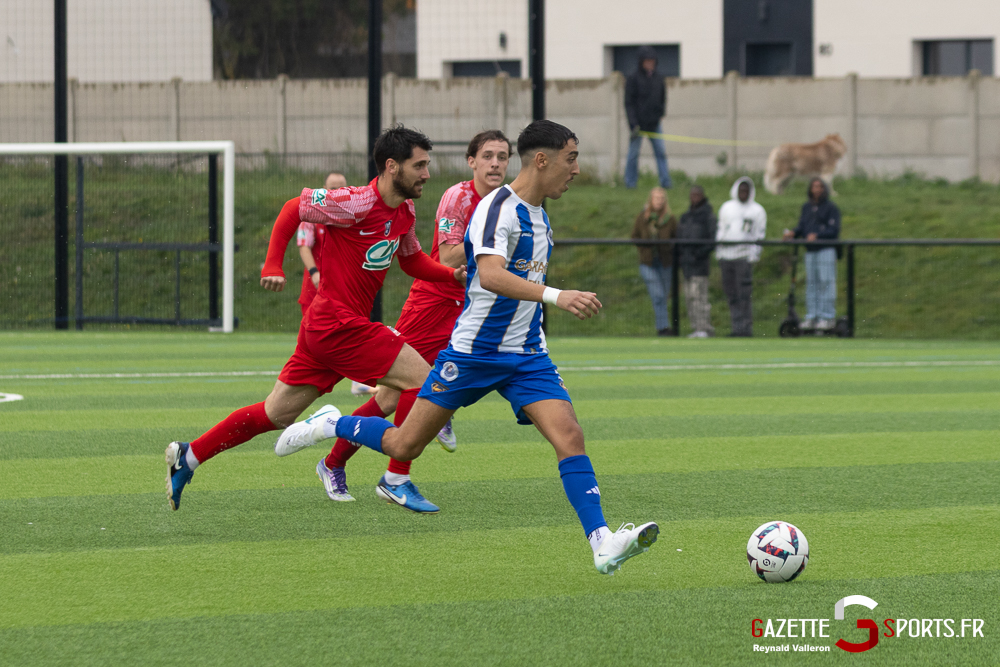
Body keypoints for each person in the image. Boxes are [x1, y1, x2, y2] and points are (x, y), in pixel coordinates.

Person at [274, 120, 659, 575]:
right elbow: (491, 274)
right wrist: (559, 296)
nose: (576, 170)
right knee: (404, 443)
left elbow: (521, 284)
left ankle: (602, 542)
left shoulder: (539, 213)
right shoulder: (497, 209)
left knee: (569, 435)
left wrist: (538, 328)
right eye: (570, 158)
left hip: (526, 357)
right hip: (473, 354)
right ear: (542, 159)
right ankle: (332, 424)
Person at [165, 126, 465, 512]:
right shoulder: (355, 202)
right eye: (419, 165)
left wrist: (451, 274)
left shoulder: (404, 211)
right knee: (425, 381)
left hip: (325, 329)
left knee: (276, 413)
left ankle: (188, 457)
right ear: (392, 166)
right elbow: (294, 208)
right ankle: (396, 477)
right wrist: (272, 263)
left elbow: (411, 261)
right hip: (338, 322)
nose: (427, 173)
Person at [318, 130, 512, 507]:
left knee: (461, 378)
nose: (496, 163)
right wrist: (487, 241)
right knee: (392, 397)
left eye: (503, 157)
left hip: (473, 308)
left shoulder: (507, 201)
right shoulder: (458, 198)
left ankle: (392, 455)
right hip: (434, 304)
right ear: (471, 161)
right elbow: (447, 257)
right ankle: (357, 465)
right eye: (487, 155)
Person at [783, 178, 841, 332]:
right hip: (811, 251)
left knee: (826, 283)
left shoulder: (831, 208)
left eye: (820, 186)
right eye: (814, 186)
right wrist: (793, 233)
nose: (817, 189)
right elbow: (803, 226)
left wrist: (818, 235)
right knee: (812, 284)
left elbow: (834, 230)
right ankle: (812, 316)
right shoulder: (806, 207)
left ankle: (827, 316)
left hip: (825, 250)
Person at [716, 177, 766, 337]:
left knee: (743, 294)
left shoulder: (757, 210)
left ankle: (745, 328)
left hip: (744, 257)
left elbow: (760, 234)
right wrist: (719, 251)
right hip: (726, 256)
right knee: (731, 294)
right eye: (741, 190)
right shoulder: (726, 207)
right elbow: (721, 229)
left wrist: (754, 255)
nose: (743, 193)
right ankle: (736, 327)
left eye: (746, 191)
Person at [296, 173, 347, 318]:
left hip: (343, 287)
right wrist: (314, 273)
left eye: (341, 189)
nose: (336, 193)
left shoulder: (353, 216)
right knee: (310, 336)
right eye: (332, 189)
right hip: (316, 285)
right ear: (324, 190)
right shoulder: (312, 213)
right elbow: (304, 246)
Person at [631, 187, 677, 336]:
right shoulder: (643, 217)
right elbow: (634, 236)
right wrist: (645, 246)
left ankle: (664, 327)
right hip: (648, 262)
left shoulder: (670, 219)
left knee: (663, 295)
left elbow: (676, 238)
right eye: (656, 198)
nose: (659, 201)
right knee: (657, 294)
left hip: (664, 262)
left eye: (661, 198)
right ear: (651, 200)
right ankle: (663, 328)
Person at [624, 46, 671, 190]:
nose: (650, 63)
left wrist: (660, 114)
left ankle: (666, 183)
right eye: (647, 61)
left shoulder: (659, 78)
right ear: (641, 62)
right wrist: (633, 124)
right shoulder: (633, 78)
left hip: (654, 123)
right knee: (633, 155)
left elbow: (663, 98)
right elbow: (628, 103)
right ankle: (630, 184)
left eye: (652, 61)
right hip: (637, 124)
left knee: (661, 153)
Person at [676, 184, 716, 338]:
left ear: (702, 196)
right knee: (689, 298)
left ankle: (704, 327)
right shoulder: (686, 216)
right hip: (686, 264)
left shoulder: (708, 216)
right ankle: (696, 327)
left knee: (699, 297)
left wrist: (698, 255)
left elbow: (711, 241)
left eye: (697, 195)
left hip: (699, 265)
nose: (694, 198)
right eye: (692, 195)